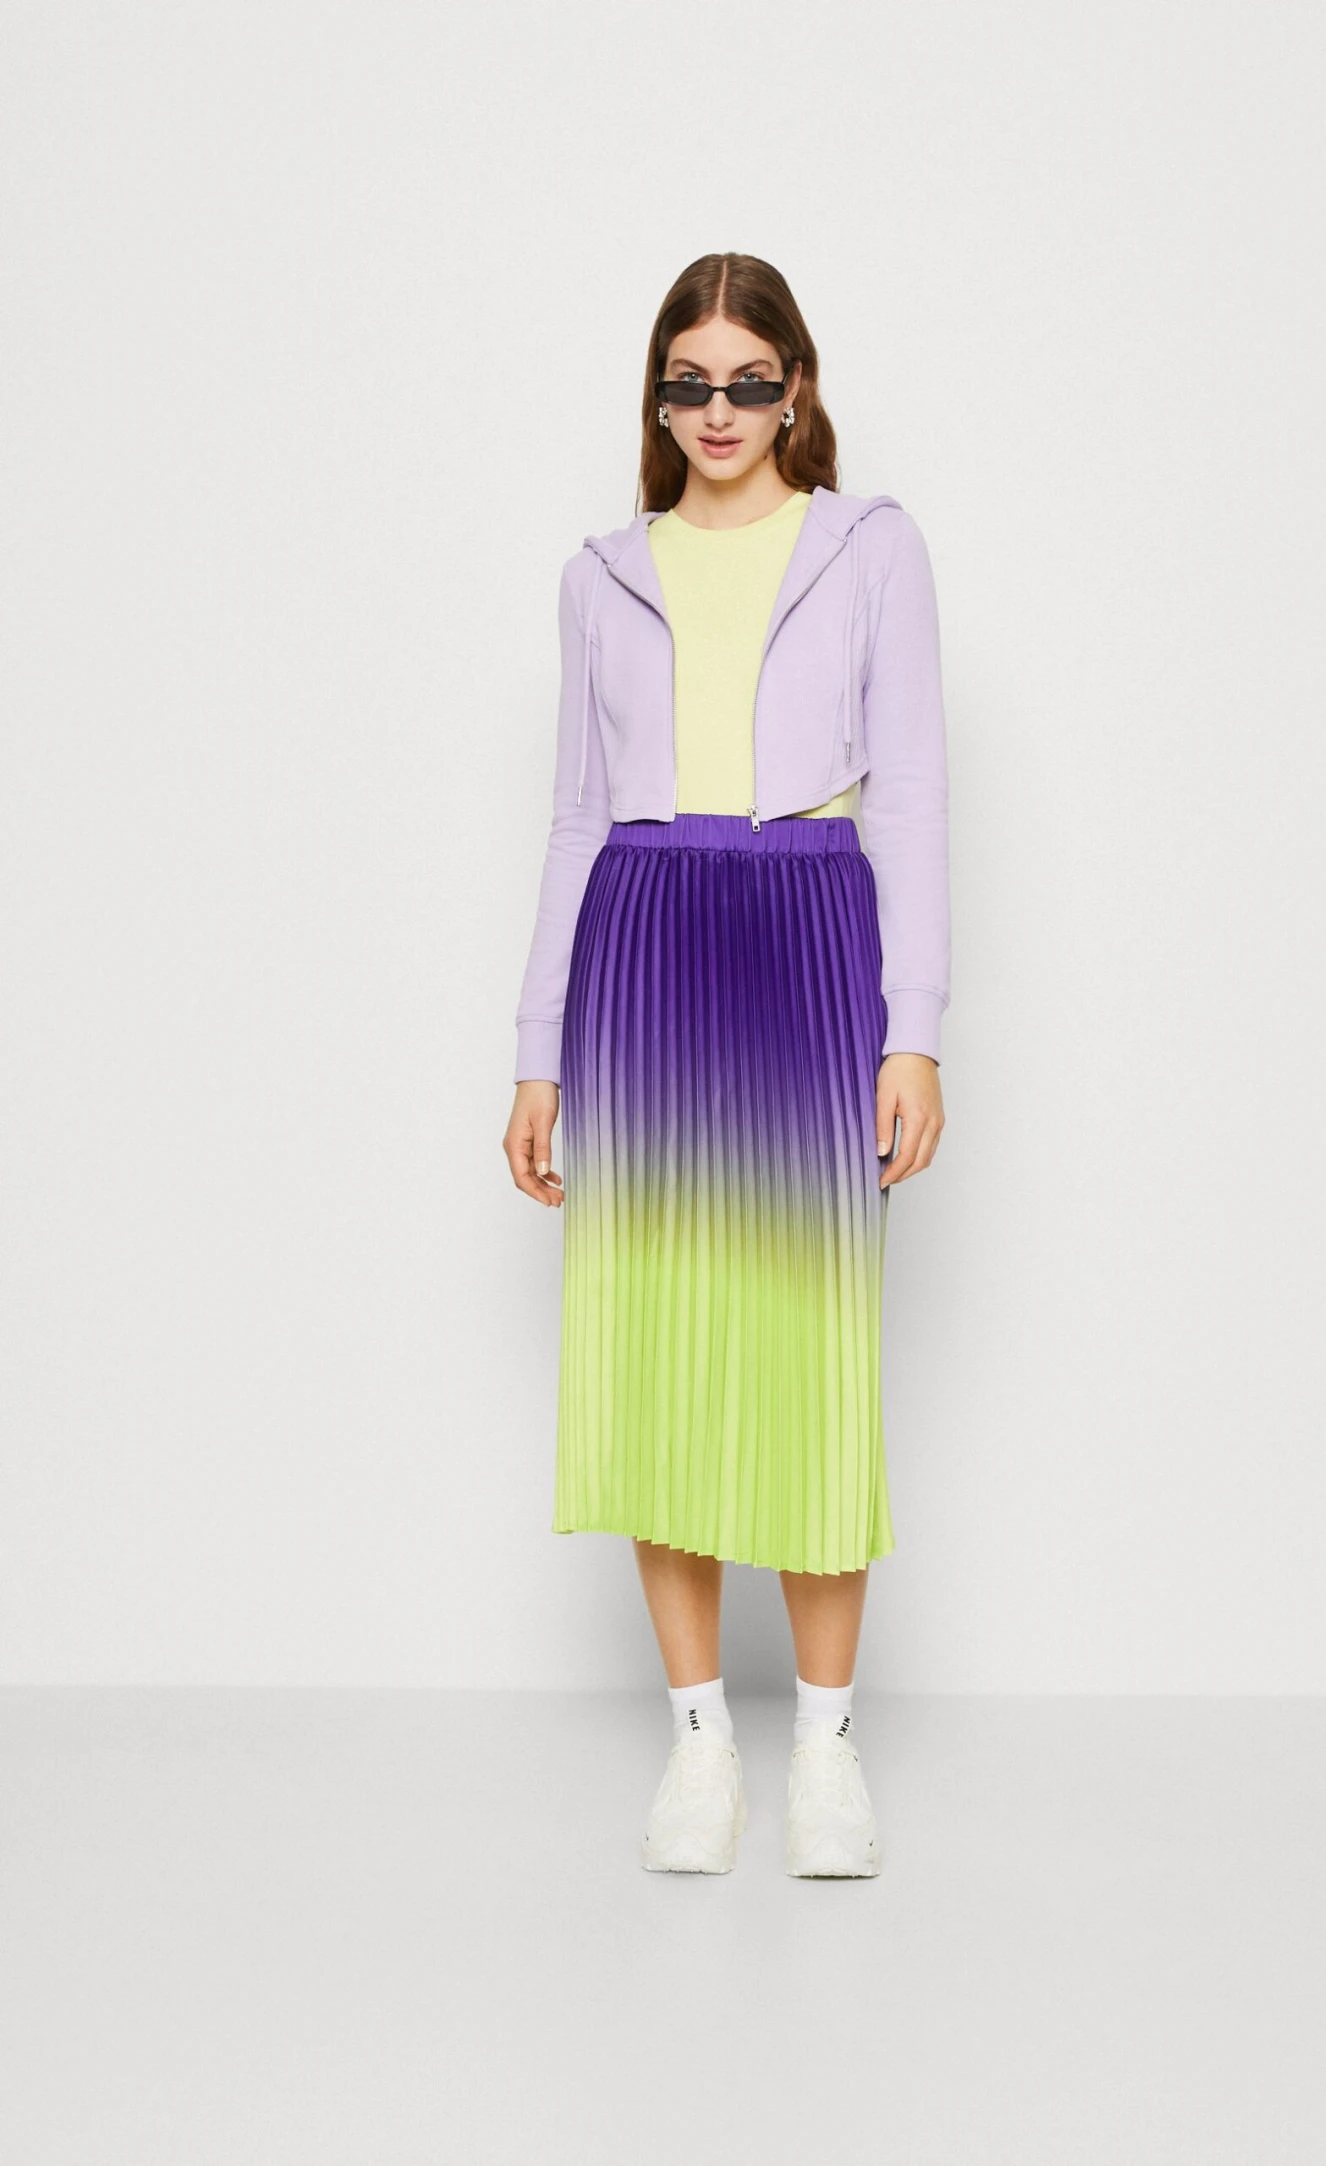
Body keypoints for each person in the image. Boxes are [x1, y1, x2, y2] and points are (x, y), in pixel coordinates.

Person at [504, 253, 950, 1878]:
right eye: (687, 382)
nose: (717, 411)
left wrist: (915, 1026)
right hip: (643, 944)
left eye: (747, 382)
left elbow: (912, 792)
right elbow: (575, 814)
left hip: (809, 932)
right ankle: (701, 1741)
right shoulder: (600, 576)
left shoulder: (870, 547)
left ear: (796, 389)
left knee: (811, 1346)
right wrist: (539, 1050)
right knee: (658, 1350)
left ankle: (825, 1746)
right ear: (659, 396)